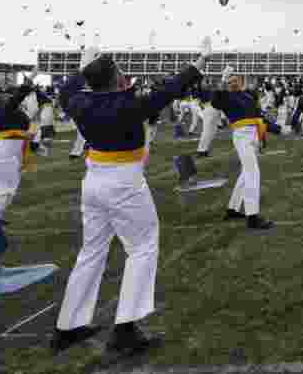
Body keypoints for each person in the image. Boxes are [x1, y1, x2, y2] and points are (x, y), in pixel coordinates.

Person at [51, 39, 209, 356]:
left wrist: (84, 68)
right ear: (112, 79)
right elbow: (168, 91)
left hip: (94, 179)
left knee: (91, 251)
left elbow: (68, 90)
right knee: (142, 247)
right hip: (123, 181)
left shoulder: (79, 102)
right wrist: (197, 64)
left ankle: (67, 327)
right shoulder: (127, 104)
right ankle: (125, 329)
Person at [214, 67, 281, 230]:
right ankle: (252, 216)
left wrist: (276, 129)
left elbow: (259, 117)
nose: (232, 82)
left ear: (240, 80)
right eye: (229, 80)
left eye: (234, 79)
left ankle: (233, 208)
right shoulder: (225, 97)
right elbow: (216, 101)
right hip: (242, 136)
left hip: (254, 135)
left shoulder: (248, 95)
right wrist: (222, 81)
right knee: (253, 173)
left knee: (246, 173)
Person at [0, 79, 39, 220]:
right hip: (5, 153)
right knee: (6, 188)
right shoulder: (5, 111)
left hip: (10, 152)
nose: (9, 98)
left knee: (9, 187)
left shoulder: (12, 112)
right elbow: (16, 100)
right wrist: (26, 87)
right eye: (6, 97)